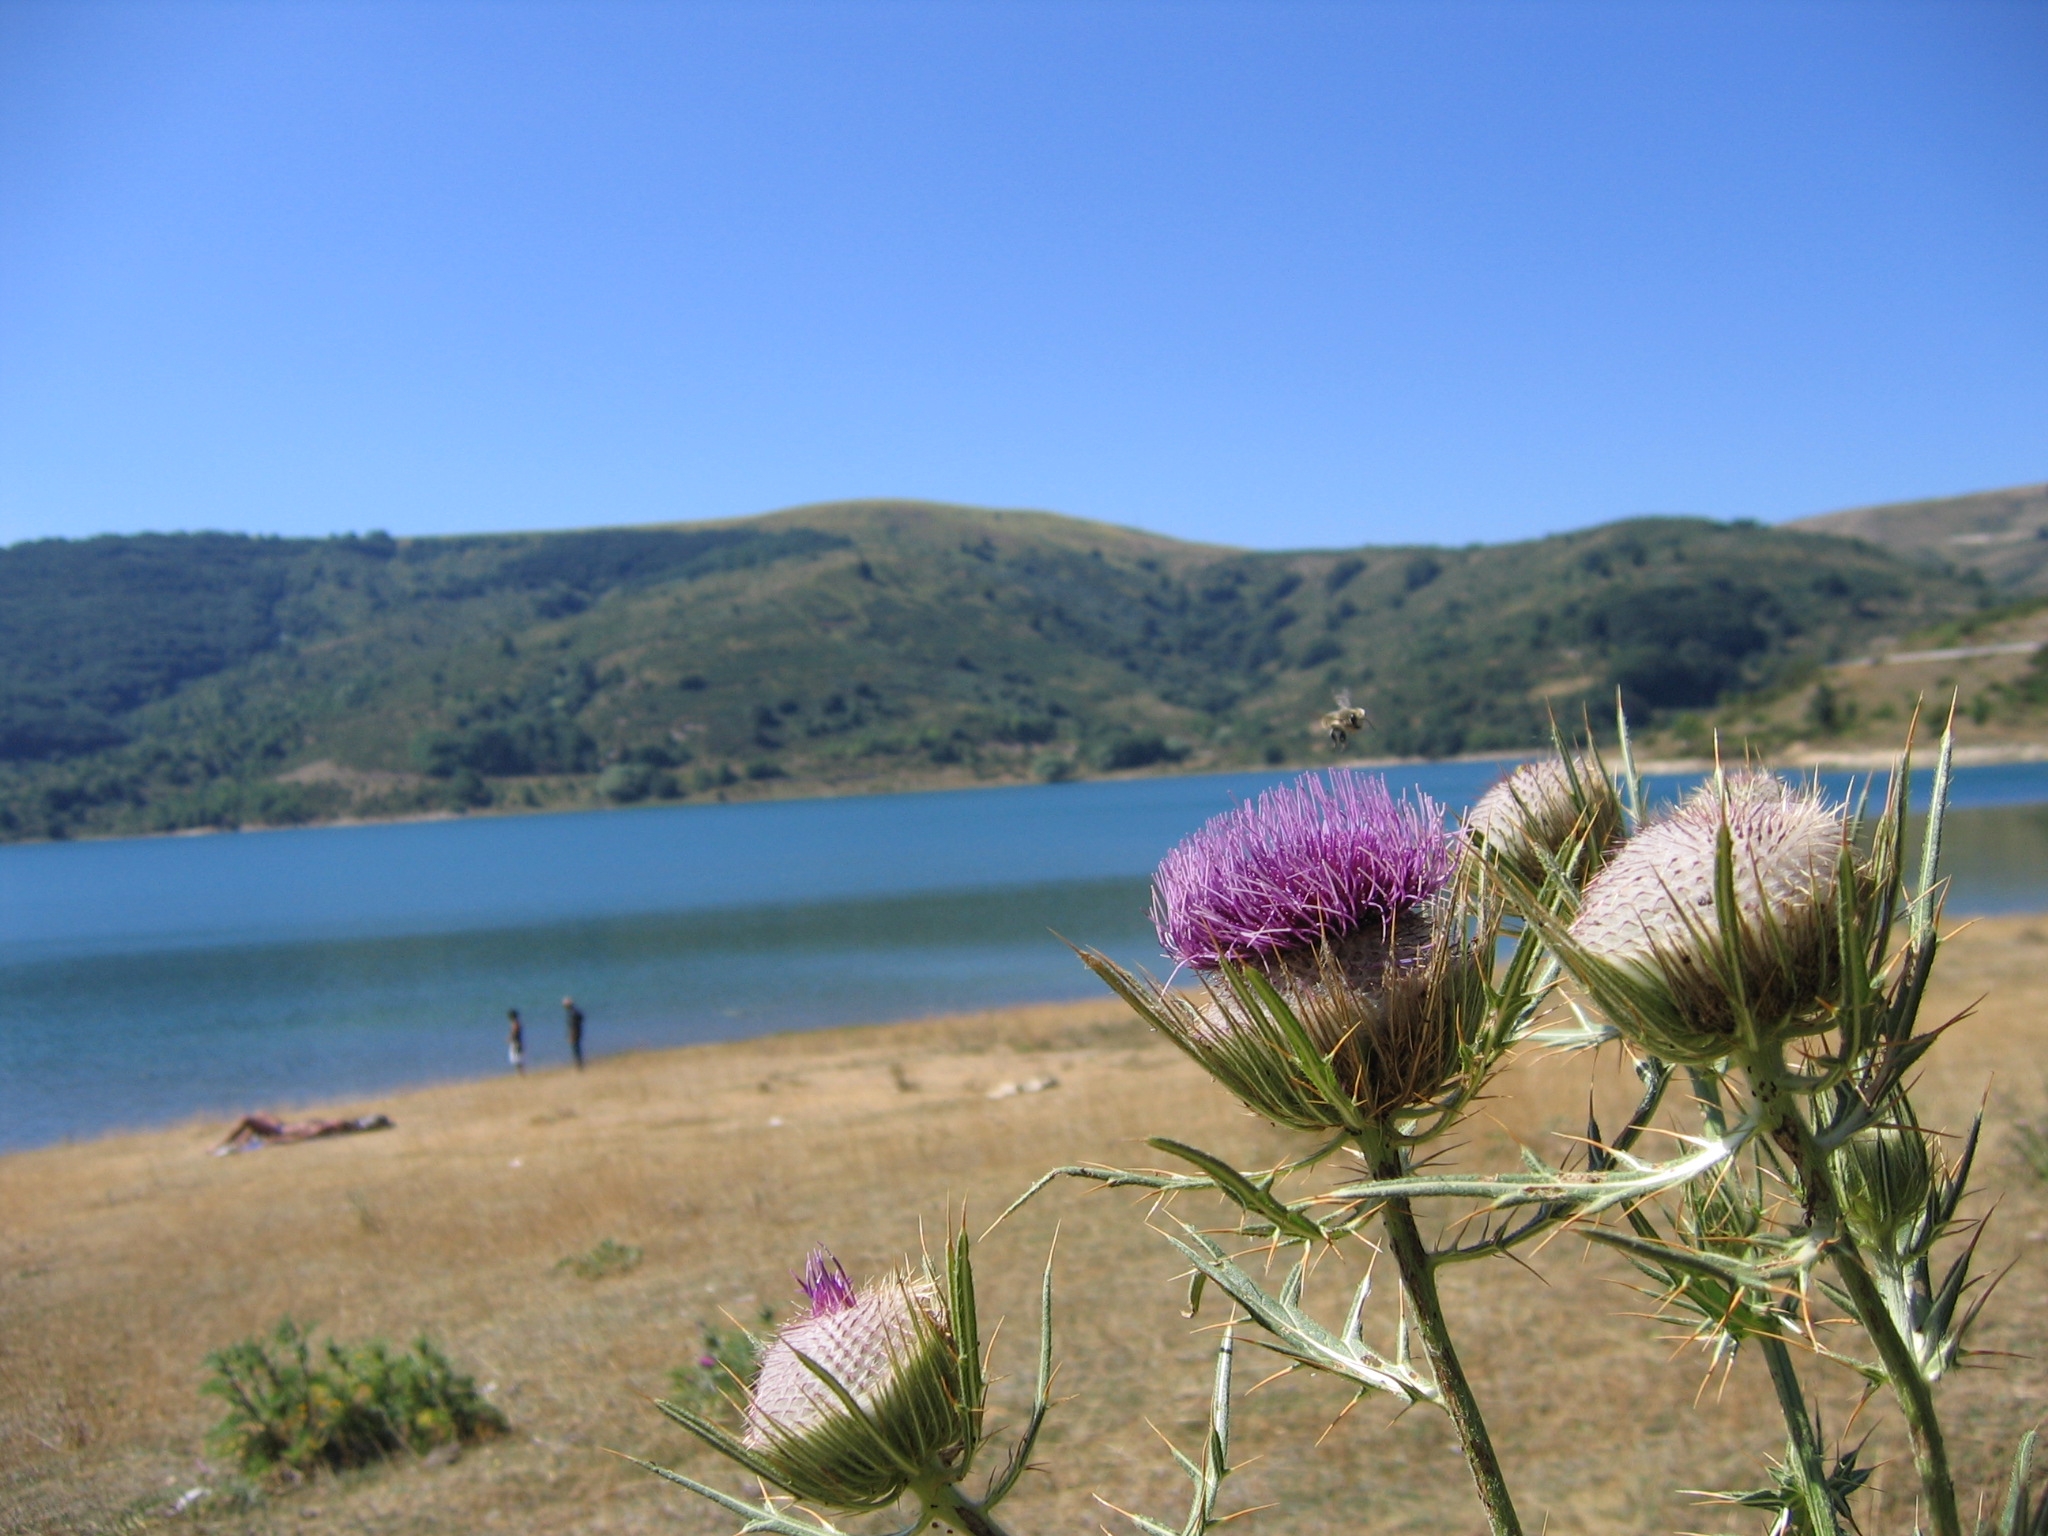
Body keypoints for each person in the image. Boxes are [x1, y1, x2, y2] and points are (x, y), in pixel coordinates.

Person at [212, 1113, 393, 1155]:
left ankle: (222, 1144)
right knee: (261, 1114)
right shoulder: (325, 1126)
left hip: (280, 1130)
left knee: (248, 1119)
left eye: (338, 1125)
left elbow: (293, 1138)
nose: (336, 1122)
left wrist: (275, 1140)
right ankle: (241, 1140)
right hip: (284, 1126)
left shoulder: (320, 1131)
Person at [563, 995, 585, 1069]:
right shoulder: (576, 1012)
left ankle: (579, 1065)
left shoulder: (572, 1013)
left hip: (575, 1034)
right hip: (578, 1033)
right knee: (577, 1049)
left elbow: (572, 1026)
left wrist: (571, 1035)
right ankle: (579, 1064)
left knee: (576, 1050)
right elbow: (581, 1019)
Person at [507, 1008, 526, 1075]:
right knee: (517, 1059)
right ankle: (520, 1073)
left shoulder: (515, 1024)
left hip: (516, 1044)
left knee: (517, 1059)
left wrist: (509, 1038)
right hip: (517, 1043)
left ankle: (520, 1074)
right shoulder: (516, 1023)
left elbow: (514, 1033)